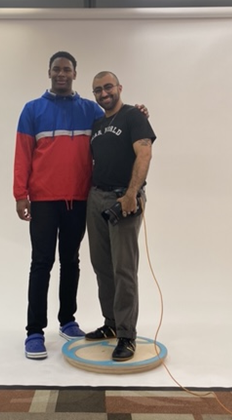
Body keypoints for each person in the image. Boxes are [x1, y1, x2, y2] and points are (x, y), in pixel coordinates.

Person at [13, 51, 105, 360]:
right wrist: (20, 194)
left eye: (66, 69)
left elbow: (118, 123)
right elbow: (23, 155)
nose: (61, 74)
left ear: (75, 74)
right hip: (42, 201)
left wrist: (140, 113)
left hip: (78, 201)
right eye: (56, 69)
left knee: (71, 262)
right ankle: (35, 331)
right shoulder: (32, 110)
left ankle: (67, 321)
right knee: (41, 264)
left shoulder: (91, 111)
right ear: (49, 73)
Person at [84, 71, 156, 362]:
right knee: (102, 265)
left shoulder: (134, 116)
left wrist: (130, 194)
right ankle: (111, 323)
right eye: (98, 90)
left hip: (123, 198)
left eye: (108, 87)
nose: (104, 93)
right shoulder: (98, 123)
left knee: (124, 269)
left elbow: (145, 154)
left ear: (119, 88)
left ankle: (127, 334)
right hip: (96, 197)